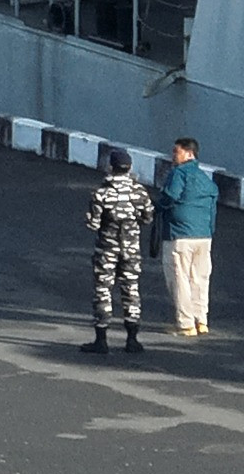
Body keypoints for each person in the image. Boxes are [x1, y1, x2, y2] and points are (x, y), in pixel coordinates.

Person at [82, 147, 150, 353]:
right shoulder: (140, 192)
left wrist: (91, 220)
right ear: (129, 168)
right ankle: (132, 339)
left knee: (103, 291)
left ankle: (101, 340)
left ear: (111, 167)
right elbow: (147, 218)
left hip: (107, 250)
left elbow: (93, 225)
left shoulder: (101, 193)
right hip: (131, 250)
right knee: (131, 290)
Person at [154, 137, 217, 336]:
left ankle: (185, 323)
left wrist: (156, 207)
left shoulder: (179, 174)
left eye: (176, 151)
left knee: (179, 278)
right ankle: (201, 320)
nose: (173, 156)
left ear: (189, 154)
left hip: (179, 234)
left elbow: (170, 196)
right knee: (200, 279)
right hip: (204, 235)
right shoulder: (205, 178)